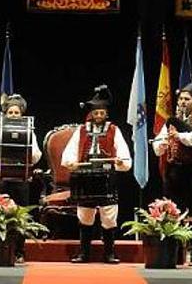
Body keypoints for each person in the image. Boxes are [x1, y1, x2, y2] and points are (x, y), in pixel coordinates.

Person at [62, 84, 132, 264]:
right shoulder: (82, 130)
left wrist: (121, 161)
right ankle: (83, 253)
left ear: (106, 114)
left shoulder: (113, 130)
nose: (99, 116)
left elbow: (123, 152)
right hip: (85, 177)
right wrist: (70, 162)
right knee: (85, 215)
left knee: (109, 216)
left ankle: (109, 253)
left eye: (102, 113)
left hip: (107, 177)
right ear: (91, 114)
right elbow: (70, 150)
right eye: (96, 113)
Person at [152, 75, 192, 265]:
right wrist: (160, 146)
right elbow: (159, 140)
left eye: (187, 99)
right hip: (173, 171)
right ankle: (174, 252)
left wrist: (180, 136)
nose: (183, 102)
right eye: (181, 99)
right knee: (171, 211)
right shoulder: (172, 120)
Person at [0, 93, 42, 262]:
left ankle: (19, 251)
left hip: (21, 180)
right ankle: (1, 248)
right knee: (1, 214)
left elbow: (35, 155)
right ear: (5, 114)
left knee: (20, 215)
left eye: (16, 113)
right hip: (2, 180)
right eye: (10, 113)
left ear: (22, 114)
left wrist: (28, 153)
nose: (13, 115)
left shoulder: (29, 133)